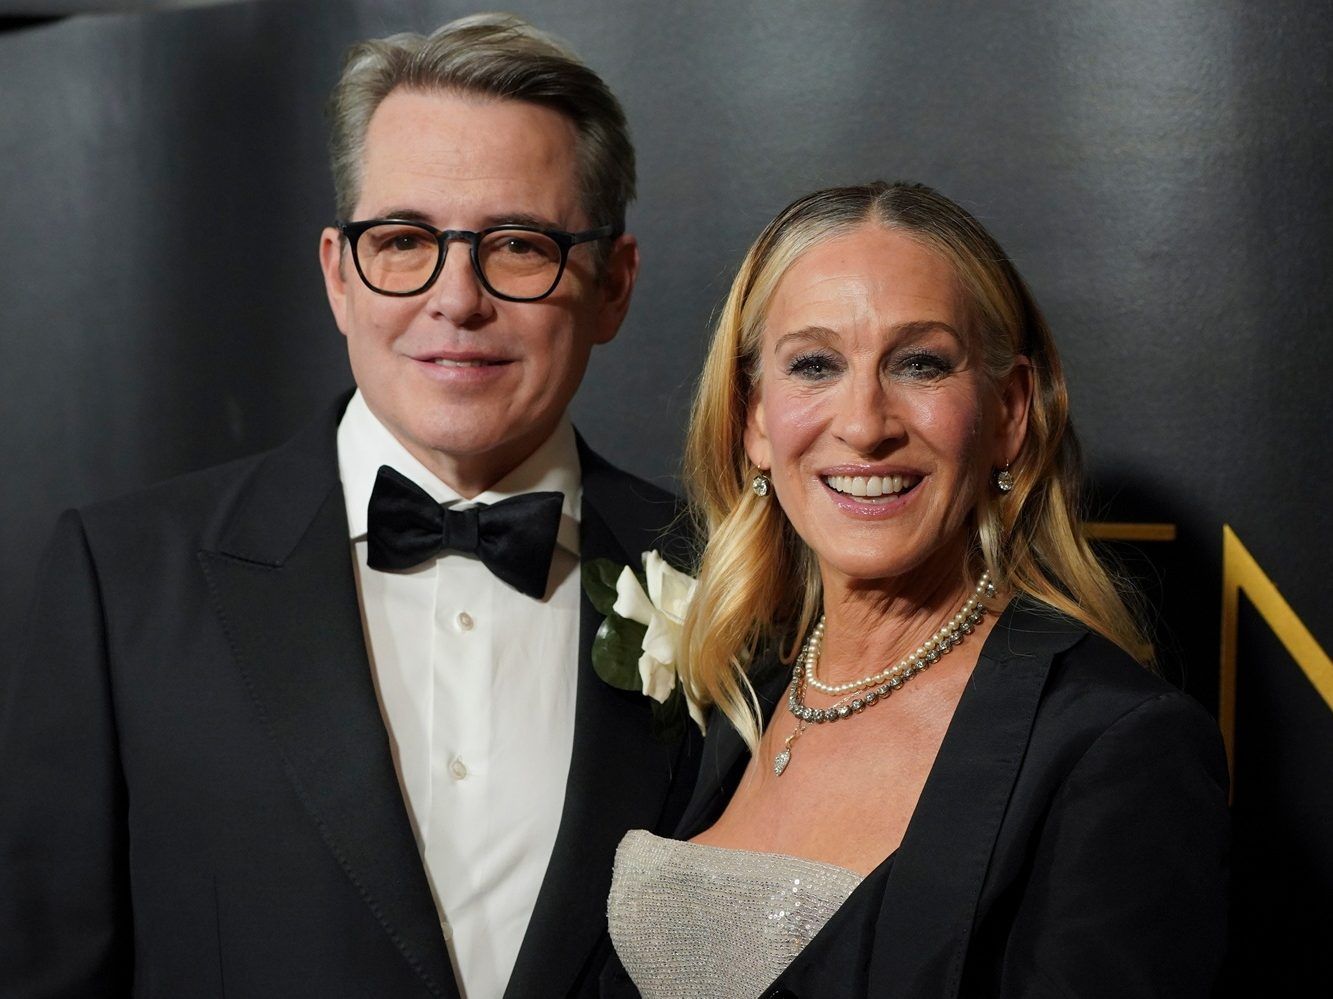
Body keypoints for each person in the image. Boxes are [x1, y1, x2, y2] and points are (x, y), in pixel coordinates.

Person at [0, 14, 698, 998]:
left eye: (518, 244)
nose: (456, 299)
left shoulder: (731, 577)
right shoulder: (120, 584)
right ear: (338, 274)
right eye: (404, 241)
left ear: (613, 285)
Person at [604, 181, 1229, 997]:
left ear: (1008, 413)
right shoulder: (740, 687)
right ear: (753, 418)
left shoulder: (1113, 747)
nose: (865, 424)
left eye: (920, 364)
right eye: (814, 365)